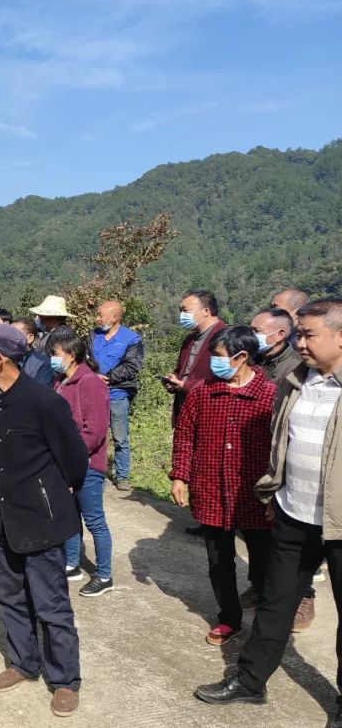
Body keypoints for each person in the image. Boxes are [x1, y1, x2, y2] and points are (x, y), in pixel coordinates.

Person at [194, 299, 342, 723]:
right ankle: (250, 681)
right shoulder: (297, 381)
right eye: (298, 334)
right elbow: (281, 444)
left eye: (308, 334)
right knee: (275, 603)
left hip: (339, 521)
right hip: (295, 513)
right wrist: (273, 493)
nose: (300, 342)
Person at [0, 323, 87, 718]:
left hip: (39, 518)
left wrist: (53, 493)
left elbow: (74, 460)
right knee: (8, 596)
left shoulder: (43, 402)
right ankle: (23, 661)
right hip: (2, 515)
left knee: (51, 604)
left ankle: (65, 679)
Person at [169, 326, 275, 646]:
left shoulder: (270, 396)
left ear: (242, 357)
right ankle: (229, 618)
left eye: (218, 357)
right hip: (211, 489)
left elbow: (281, 447)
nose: (214, 363)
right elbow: (185, 435)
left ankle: (268, 618)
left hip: (253, 494)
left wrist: (276, 493)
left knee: (263, 560)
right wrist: (180, 476)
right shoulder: (202, 392)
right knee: (219, 561)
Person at [250, 306, 316, 629]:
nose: (253, 335)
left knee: (298, 542)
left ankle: (305, 598)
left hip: (290, 461)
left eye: (257, 329)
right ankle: (261, 585)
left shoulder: (297, 368)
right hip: (262, 454)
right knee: (263, 536)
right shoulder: (258, 360)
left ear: (279, 335)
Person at [47, 328, 114, 597]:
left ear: (71, 355)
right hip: (65, 463)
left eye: (56, 354)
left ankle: (104, 574)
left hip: (86, 464)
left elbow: (95, 429)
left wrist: (71, 457)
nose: (53, 358)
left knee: (94, 519)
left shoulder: (90, 383)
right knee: (70, 516)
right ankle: (72, 564)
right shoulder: (60, 381)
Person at [92, 300, 144, 492]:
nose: (97, 318)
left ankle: (122, 475)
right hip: (94, 393)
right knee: (96, 433)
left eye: (100, 315)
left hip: (117, 393)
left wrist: (108, 377)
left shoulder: (131, 339)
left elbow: (132, 366)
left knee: (120, 437)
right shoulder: (93, 335)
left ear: (114, 317)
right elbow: (85, 358)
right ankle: (96, 469)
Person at [164, 289, 227, 424]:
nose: (182, 315)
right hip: (184, 409)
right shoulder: (189, 339)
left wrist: (185, 385)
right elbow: (183, 369)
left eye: (186, 311)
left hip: (211, 411)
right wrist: (174, 379)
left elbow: (228, 377)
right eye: (180, 311)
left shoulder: (226, 338)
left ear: (206, 311)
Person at [252, 307, 302, 383]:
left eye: (257, 331)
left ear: (280, 335)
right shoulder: (250, 358)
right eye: (251, 330)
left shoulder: (297, 366)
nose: (251, 335)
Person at [11, 318, 57, 387]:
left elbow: (41, 393)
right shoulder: (2, 358)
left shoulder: (43, 364)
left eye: (14, 334)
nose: (8, 337)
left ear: (30, 338)